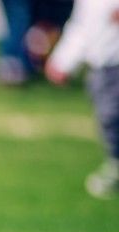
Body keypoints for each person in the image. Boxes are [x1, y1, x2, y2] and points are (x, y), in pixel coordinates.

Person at [46, 0, 119, 198]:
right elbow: (80, 26)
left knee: (113, 115)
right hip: (100, 66)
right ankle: (115, 163)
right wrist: (62, 61)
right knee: (107, 119)